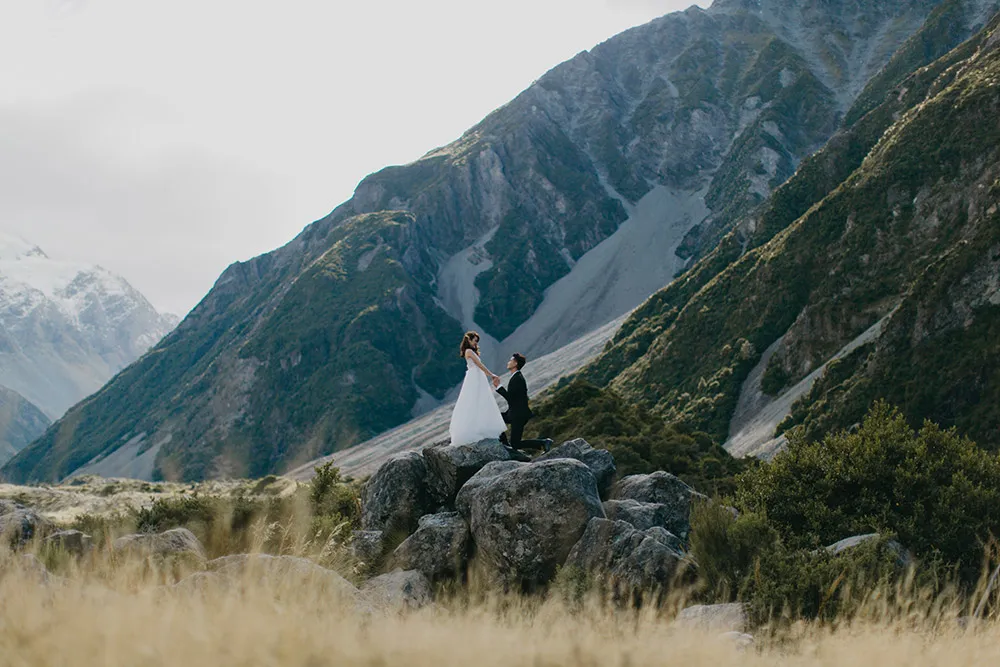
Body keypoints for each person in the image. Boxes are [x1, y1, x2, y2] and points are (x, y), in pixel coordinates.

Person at [448, 331, 508, 448]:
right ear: (469, 340)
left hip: (477, 376)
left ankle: (480, 427)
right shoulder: (469, 351)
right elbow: (479, 365)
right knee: (474, 400)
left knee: (479, 400)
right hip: (474, 377)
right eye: (475, 340)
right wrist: (491, 374)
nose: (476, 343)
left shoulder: (471, 351)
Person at [494, 353, 553, 456]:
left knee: (516, 444)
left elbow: (511, 399)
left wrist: (499, 386)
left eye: (510, 360)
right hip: (514, 413)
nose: (508, 362)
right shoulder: (515, 377)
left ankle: (544, 442)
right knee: (496, 418)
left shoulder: (517, 378)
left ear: (515, 363)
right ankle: (504, 443)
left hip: (519, 415)